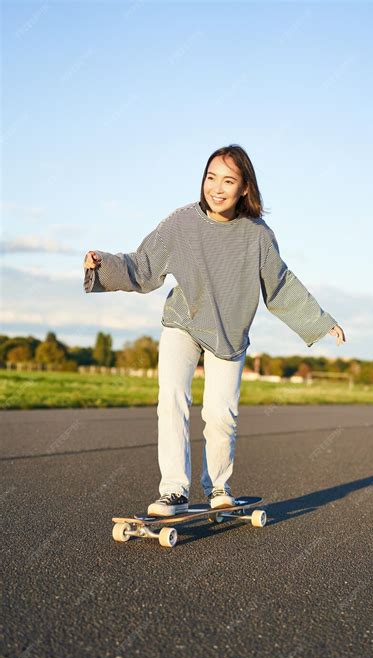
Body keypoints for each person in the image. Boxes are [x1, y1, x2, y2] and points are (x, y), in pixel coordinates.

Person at [83, 144, 346, 516]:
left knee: (221, 413)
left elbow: (281, 285)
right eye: (211, 178)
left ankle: (219, 486)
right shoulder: (182, 222)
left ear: (244, 189)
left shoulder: (257, 235)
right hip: (184, 321)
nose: (217, 188)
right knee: (171, 398)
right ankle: (173, 490)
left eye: (228, 181)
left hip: (229, 334)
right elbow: (142, 266)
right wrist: (102, 264)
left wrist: (322, 321)